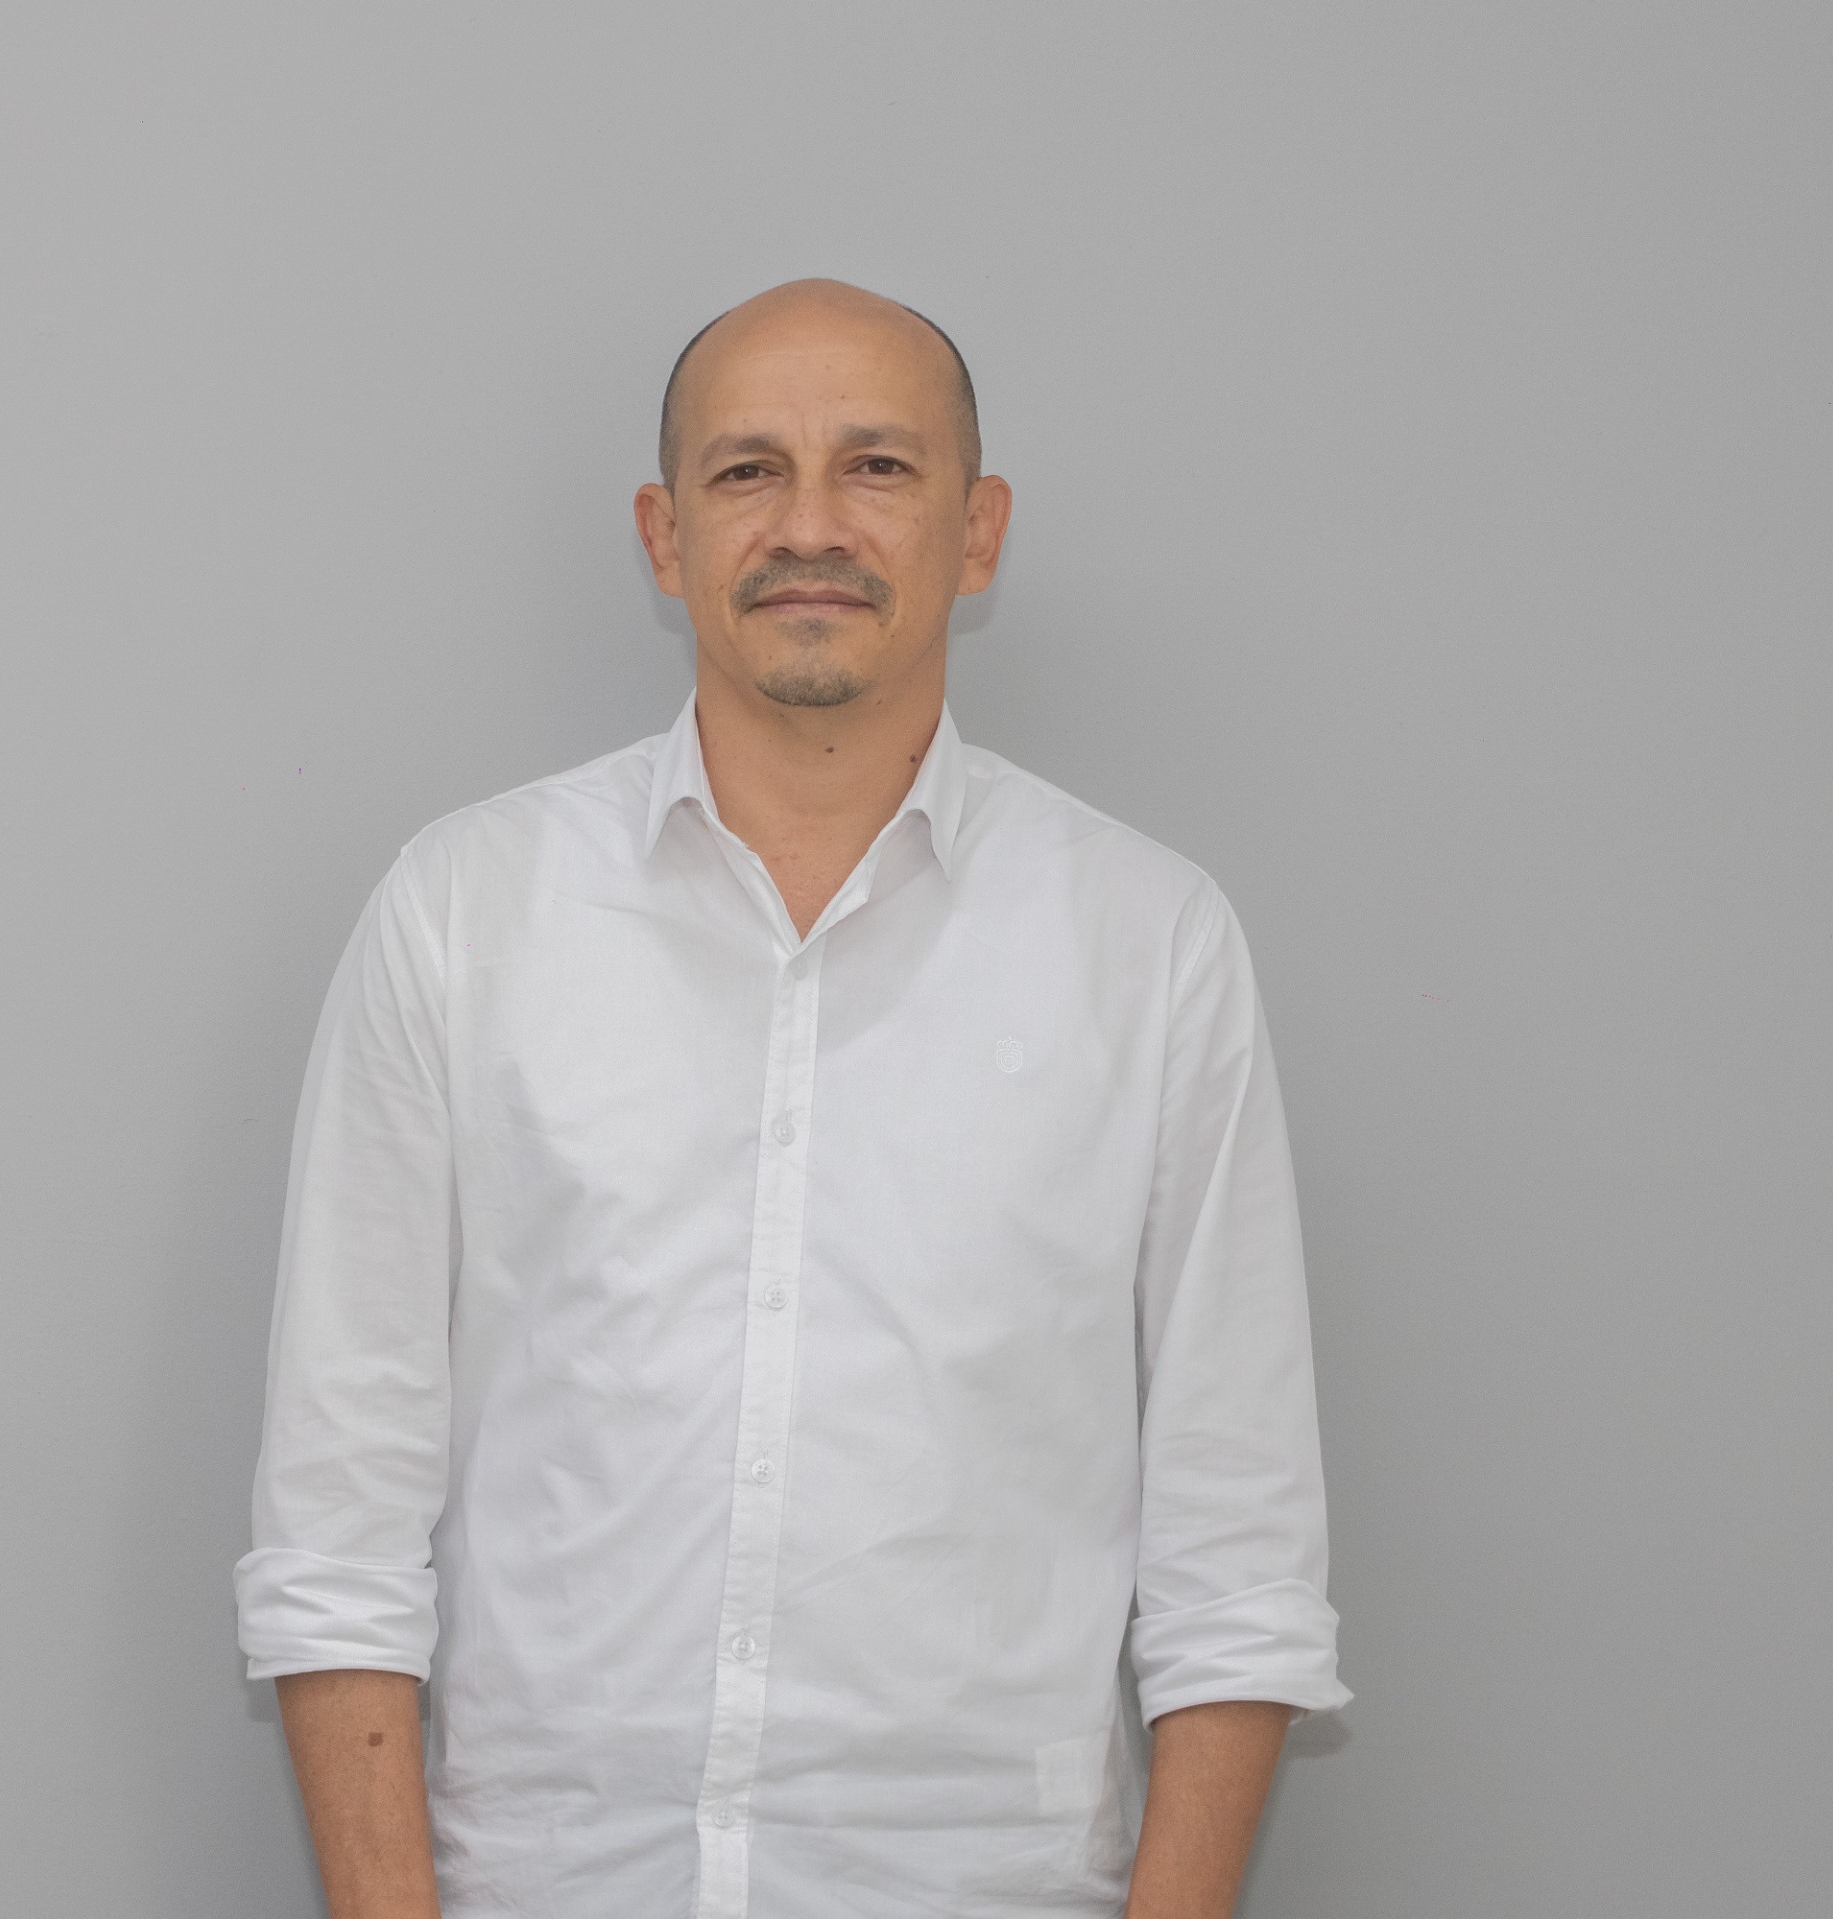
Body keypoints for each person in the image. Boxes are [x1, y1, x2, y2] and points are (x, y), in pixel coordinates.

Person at [235, 278, 1348, 1919]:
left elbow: (1239, 1564)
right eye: (748, 470)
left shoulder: (1151, 945)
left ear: (979, 532)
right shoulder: (465, 913)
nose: (810, 524)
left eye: (877, 467)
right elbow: (338, 1530)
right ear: (664, 533)